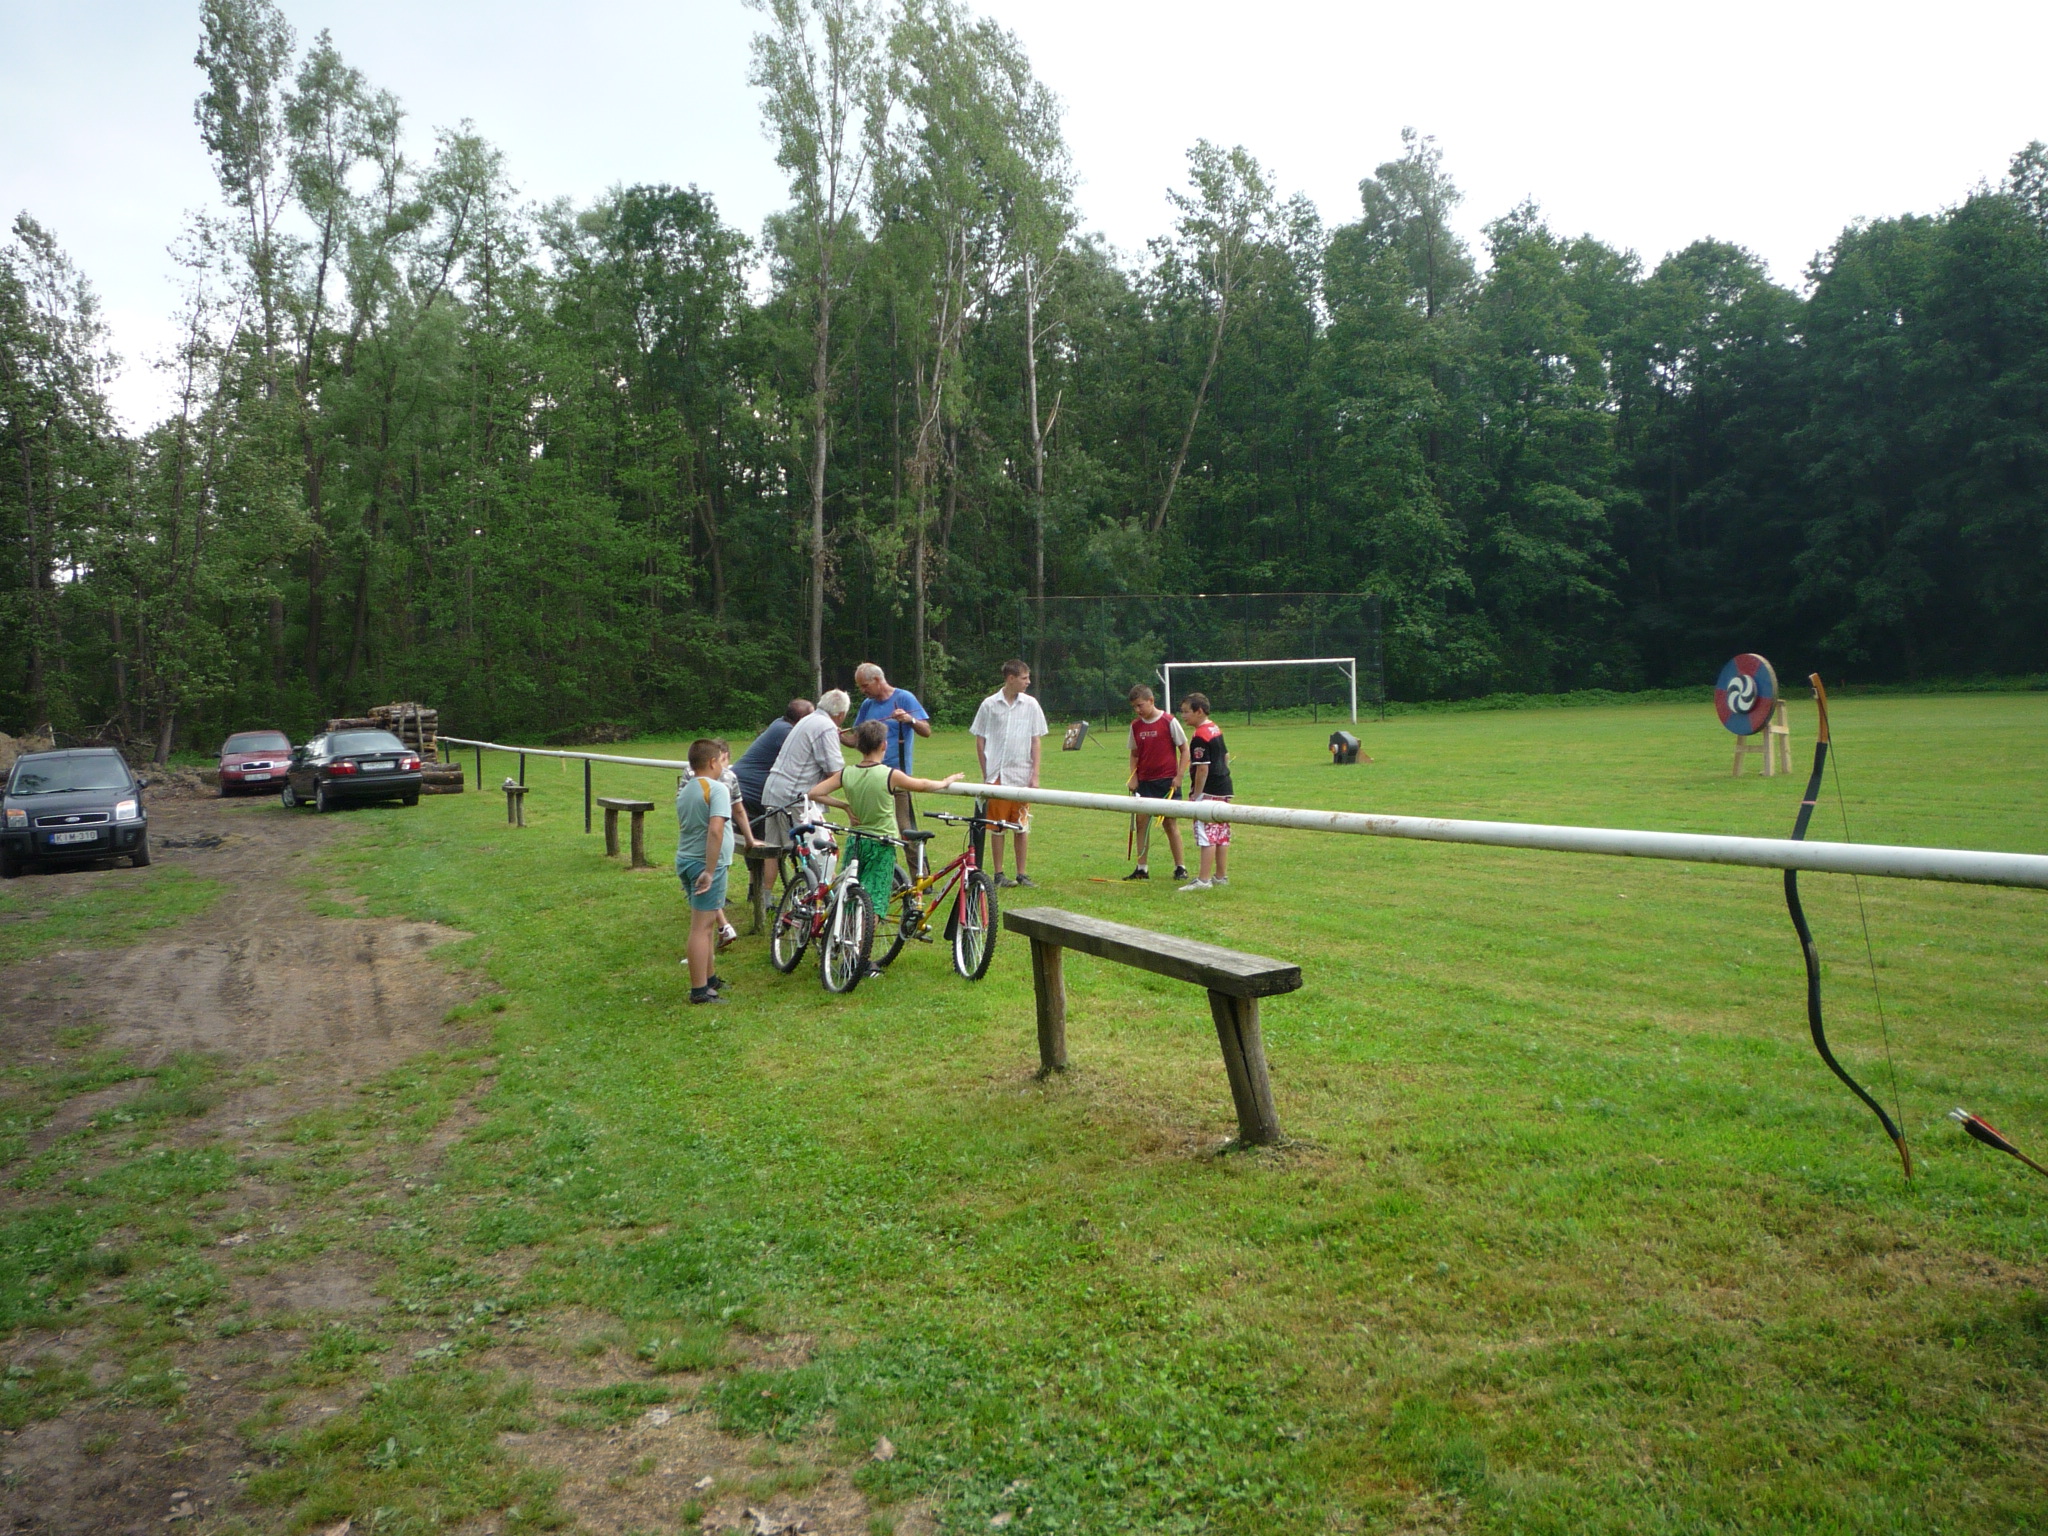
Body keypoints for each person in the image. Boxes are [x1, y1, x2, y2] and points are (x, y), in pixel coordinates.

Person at [810, 720, 963, 977]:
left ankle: (846, 945)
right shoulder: (889, 774)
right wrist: (946, 781)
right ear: (883, 745)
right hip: (882, 844)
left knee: (851, 896)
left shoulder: (847, 773)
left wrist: (845, 806)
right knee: (874, 902)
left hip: (856, 842)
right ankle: (860, 956)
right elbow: (922, 785)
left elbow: (815, 792)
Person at [970, 659, 1048, 888]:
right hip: (998, 776)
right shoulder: (989, 705)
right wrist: (987, 773)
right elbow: (980, 739)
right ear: (1011, 678)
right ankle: (999, 873)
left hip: (1022, 775)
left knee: (1021, 825)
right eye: (1024, 678)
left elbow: (1036, 740)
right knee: (998, 826)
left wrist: (1035, 775)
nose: (1028, 682)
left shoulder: (1031, 705)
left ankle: (1022, 874)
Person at [849, 663, 931, 866]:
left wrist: (910, 719)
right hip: (873, 777)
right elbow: (855, 740)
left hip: (898, 776)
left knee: (905, 828)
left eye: (865, 685)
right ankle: (876, 871)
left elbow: (926, 731)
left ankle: (919, 875)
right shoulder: (867, 705)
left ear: (878, 680)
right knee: (871, 827)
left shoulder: (904, 697)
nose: (863, 690)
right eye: (860, 686)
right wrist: (835, 734)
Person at [676, 738, 738, 1005]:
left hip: (686, 859)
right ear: (713, 762)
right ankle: (699, 990)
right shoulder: (717, 789)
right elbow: (715, 830)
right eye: (721, 761)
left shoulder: (686, 789)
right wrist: (710, 871)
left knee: (708, 922)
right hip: (705, 864)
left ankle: (710, 979)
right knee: (701, 928)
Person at [759, 688, 851, 847]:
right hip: (795, 798)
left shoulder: (807, 719)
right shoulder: (826, 727)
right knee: (814, 852)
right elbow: (835, 773)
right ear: (841, 714)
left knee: (773, 850)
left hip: (772, 792)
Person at [1124, 683, 1188, 882]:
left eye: (1140, 705)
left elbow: (1184, 749)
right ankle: (1142, 868)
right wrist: (1133, 777)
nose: (1138, 710)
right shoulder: (1135, 726)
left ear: (1151, 701)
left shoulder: (1169, 721)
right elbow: (1134, 754)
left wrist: (1179, 776)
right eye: (1134, 707)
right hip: (1144, 782)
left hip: (1166, 782)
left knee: (1169, 823)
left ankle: (1180, 867)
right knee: (1141, 822)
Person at [1176, 692, 1233, 892]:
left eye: (1186, 712)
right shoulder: (1214, 728)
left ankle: (1203, 879)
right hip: (1224, 787)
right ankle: (1221, 876)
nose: (1183, 716)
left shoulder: (1200, 736)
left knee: (1206, 835)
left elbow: (1202, 768)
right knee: (1221, 833)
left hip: (1208, 792)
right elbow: (1226, 756)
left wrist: (1197, 795)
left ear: (1199, 711)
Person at [733, 699, 813, 826]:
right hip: (749, 790)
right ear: (803, 719)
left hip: (744, 787)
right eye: (812, 717)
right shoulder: (786, 732)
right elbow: (811, 756)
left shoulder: (780, 723)